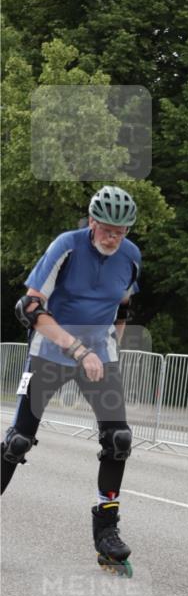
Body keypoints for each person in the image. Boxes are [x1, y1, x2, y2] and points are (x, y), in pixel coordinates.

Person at [1, 186, 141, 575]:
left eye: (123, 231)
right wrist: (78, 349)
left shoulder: (130, 256)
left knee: (119, 440)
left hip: (99, 357)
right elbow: (29, 307)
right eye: (108, 229)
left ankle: (106, 532)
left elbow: (124, 304)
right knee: (18, 441)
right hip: (51, 350)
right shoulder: (67, 245)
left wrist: (111, 354)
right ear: (92, 222)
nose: (115, 238)